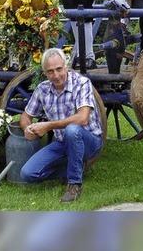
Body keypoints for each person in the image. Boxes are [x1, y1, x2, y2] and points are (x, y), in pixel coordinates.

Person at [19, 48, 103, 203]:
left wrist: (48, 126)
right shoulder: (42, 89)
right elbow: (25, 116)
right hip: (62, 143)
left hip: (89, 141)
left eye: (59, 69)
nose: (56, 75)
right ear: (45, 73)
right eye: (50, 71)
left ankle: (74, 185)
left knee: (72, 130)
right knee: (27, 174)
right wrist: (27, 128)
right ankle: (73, 166)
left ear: (66, 66)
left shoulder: (82, 83)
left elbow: (83, 118)